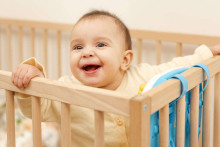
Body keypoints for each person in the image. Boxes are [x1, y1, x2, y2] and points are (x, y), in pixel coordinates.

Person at [12, 10, 220, 147]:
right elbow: (38, 106)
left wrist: (207, 54)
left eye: (100, 45)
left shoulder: (141, 76)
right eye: (78, 47)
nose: (87, 52)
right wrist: (32, 78)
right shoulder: (65, 89)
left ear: (125, 60)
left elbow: (174, 67)